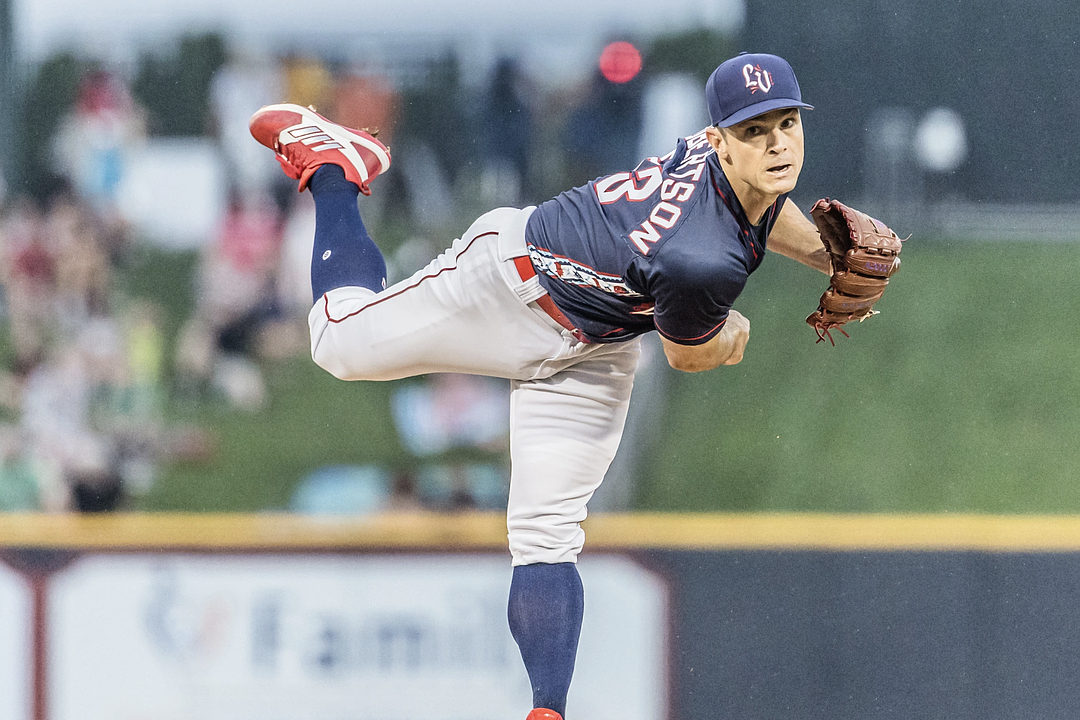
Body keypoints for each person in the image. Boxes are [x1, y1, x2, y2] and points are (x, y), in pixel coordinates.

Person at [249, 51, 831, 720]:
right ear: (717, 140)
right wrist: (729, 336)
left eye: (787, 123)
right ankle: (334, 167)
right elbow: (689, 355)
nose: (778, 142)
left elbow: (762, 207)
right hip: (511, 284)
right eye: (755, 131)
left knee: (546, 533)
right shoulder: (697, 255)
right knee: (338, 343)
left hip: (598, 344)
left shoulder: (726, 169)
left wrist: (826, 254)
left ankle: (546, 712)